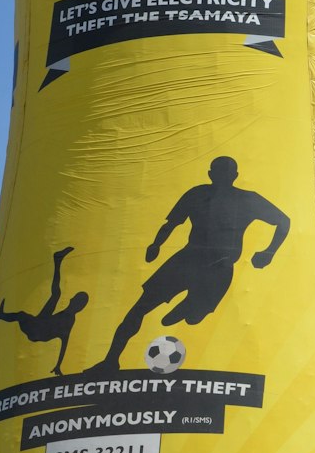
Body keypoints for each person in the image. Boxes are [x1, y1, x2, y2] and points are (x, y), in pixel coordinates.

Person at [99, 157, 289, 368]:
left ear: (234, 177)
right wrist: (156, 244)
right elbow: (171, 223)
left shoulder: (247, 200)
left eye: (225, 174)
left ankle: (190, 308)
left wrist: (269, 252)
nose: (222, 178)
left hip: (219, 268)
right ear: (211, 175)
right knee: (140, 306)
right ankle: (110, 361)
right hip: (187, 260)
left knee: (194, 319)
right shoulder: (197, 194)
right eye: (218, 174)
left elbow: (284, 221)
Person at [0, 246, 88, 375]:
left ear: (78, 305)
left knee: (23, 315)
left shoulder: (69, 319)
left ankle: (2, 315)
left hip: (38, 331)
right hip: (41, 323)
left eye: (77, 300)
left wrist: (58, 365)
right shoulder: (67, 316)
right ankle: (57, 261)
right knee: (55, 295)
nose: (72, 299)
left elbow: (64, 341)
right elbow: (64, 340)